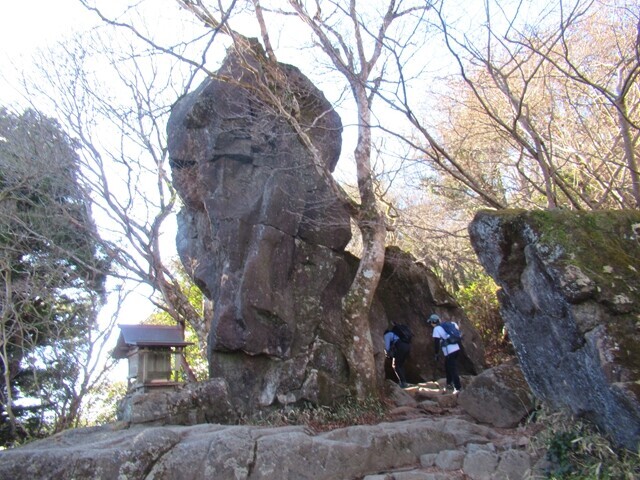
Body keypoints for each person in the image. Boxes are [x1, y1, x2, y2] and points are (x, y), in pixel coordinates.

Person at [426, 314, 462, 394]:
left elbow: (436, 342)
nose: (431, 324)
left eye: (431, 322)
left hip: (449, 351)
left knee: (452, 369)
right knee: (447, 366)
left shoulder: (436, 329)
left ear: (433, 322)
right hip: (456, 348)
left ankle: (458, 388)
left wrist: (436, 353)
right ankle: (449, 384)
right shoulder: (451, 324)